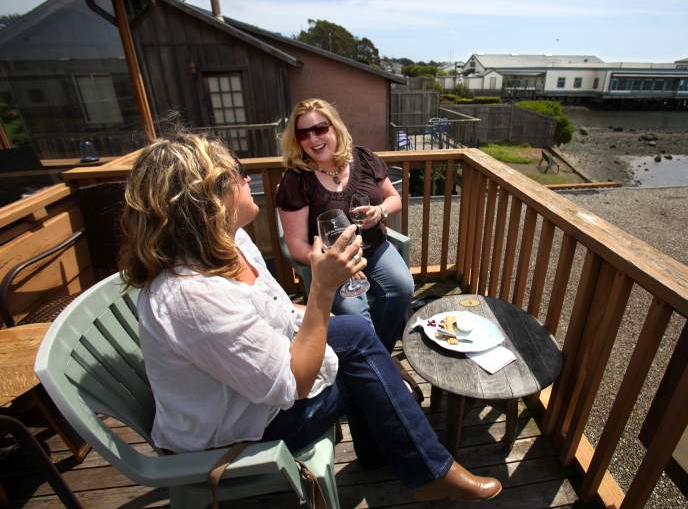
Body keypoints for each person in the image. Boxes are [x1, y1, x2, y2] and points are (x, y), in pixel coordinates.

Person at [117, 134, 501, 502]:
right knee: (365, 374)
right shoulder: (191, 296)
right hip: (231, 433)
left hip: (244, 391)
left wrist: (331, 310)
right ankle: (428, 471)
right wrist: (322, 290)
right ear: (207, 199)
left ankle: (386, 456)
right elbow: (291, 386)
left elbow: (280, 311)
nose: (247, 175)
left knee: (358, 339)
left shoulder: (229, 242)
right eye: (234, 170)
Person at [276, 98, 413, 353]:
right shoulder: (296, 180)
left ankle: (378, 354)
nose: (313, 138)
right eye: (304, 133)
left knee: (402, 287)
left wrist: (380, 210)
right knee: (355, 312)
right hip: (334, 261)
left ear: (335, 128)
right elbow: (296, 245)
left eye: (320, 128)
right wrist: (332, 263)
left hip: (373, 247)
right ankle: (375, 360)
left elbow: (395, 199)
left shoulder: (363, 158)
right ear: (296, 140)